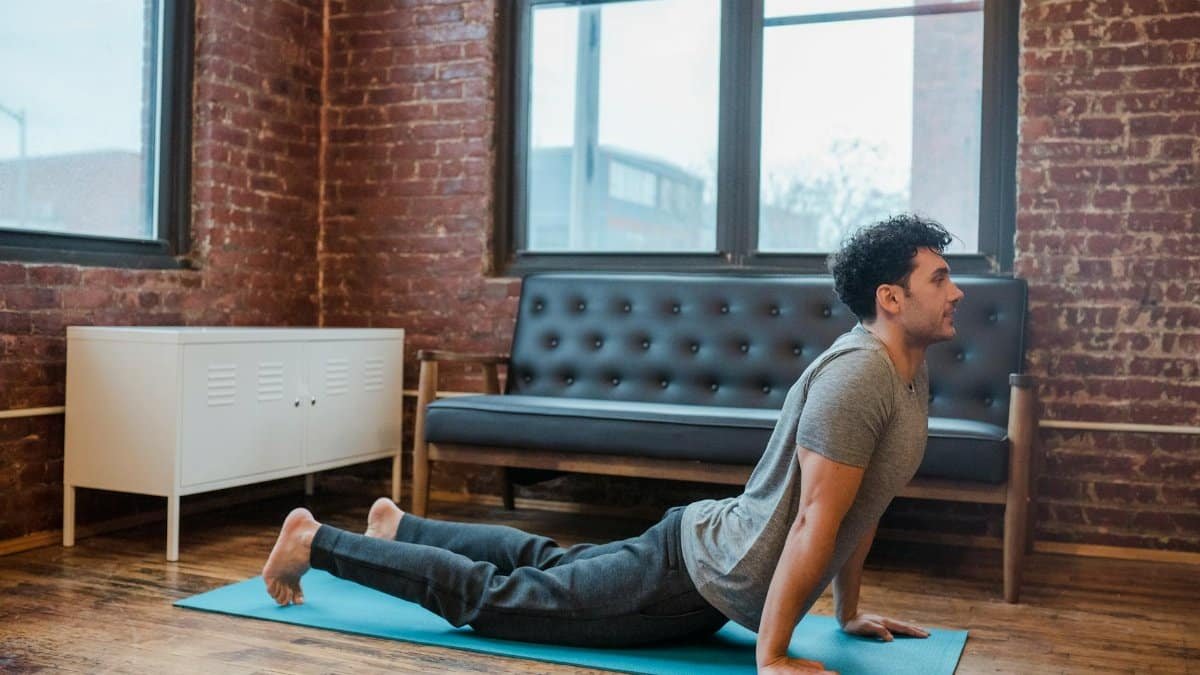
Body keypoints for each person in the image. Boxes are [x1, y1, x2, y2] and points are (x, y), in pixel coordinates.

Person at [261, 214, 964, 674]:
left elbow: (858, 510)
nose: (956, 291)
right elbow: (816, 516)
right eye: (940, 277)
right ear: (891, 299)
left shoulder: (906, 371)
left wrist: (845, 613)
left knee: (547, 562)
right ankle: (315, 540)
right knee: (499, 597)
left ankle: (399, 525)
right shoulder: (861, 377)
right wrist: (773, 655)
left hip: (702, 555)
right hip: (694, 579)